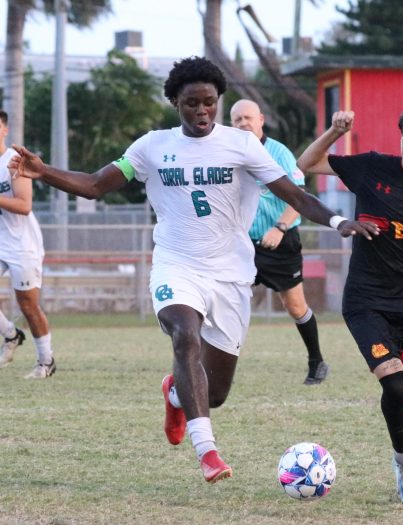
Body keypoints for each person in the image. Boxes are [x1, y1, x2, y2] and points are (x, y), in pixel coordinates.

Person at [8, 57, 378, 485]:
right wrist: (43, 171)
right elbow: (94, 185)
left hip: (231, 275)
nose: (201, 112)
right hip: (176, 265)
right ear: (174, 103)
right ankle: (208, 452)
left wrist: (337, 222)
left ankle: (175, 393)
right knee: (184, 333)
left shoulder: (242, 146)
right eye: (190, 104)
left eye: (208, 103)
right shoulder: (151, 147)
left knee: (214, 393)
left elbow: (293, 193)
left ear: (218, 101)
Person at [297, 92, 403, 507]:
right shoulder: (372, 168)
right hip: (367, 301)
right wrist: (335, 132)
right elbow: (305, 166)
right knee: (393, 383)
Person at [230, 99, 329, 385]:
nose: (243, 124)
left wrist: (280, 227)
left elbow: (299, 197)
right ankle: (213, 365)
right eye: (237, 120)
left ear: (261, 119)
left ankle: (317, 361)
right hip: (242, 244)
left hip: (279, 242)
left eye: (248, 117)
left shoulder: (278, 152)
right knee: (226, 301)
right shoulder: (230, 155)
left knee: (295, 306)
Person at [0, 110, 56, 379]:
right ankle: (11, 334)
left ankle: (46, 361)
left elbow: (24, 206)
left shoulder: (12, 161)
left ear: (4, 130)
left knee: (28, 305)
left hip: (22, 245)